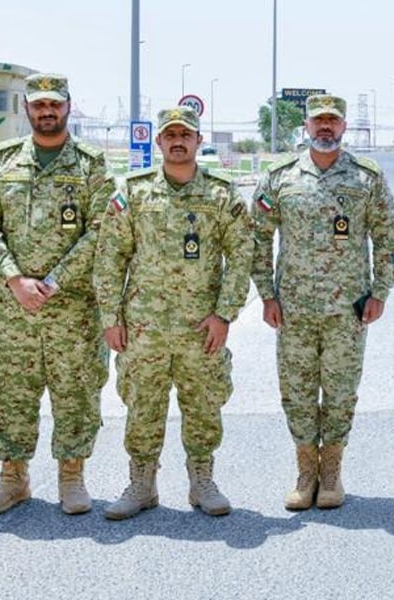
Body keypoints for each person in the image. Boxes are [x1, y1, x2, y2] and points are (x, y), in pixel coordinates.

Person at [94, 106, 253, 520]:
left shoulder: (221, 195)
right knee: (142, 405)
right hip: (143, 327)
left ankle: (202, 482)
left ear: (199, 140)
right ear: (159, 141)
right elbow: (110, 257)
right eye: (170, 135)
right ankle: (141, 485)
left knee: (203, 406)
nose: (178, 141)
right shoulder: (133, 192)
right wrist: (111, 318)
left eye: (186, 134)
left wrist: (224, 314)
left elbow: (242, 257)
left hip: (201, 327)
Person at [251, 94, 394, 511]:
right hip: (293, 309)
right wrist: (266, 294)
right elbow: (258, 239)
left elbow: (388, 239)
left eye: (333, 121)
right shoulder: (280, 177)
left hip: (347, 310)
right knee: (297, 391)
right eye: (318, 120)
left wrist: (380, 291)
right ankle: (306, 471)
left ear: (344, 126)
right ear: (306, 126)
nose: (325, 127)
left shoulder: (366, 178)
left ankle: (331, 471)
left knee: (340, 391)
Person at [0, 74, 112, 516]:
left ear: (67, 107)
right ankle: (13, 477)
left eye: (54, 105)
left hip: (72, 308)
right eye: (39, 105)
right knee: (11, 391)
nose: (47, 112)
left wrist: (54, 281)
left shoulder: (91, 164)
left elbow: (102, 230)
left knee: (75, 390)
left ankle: (72, 476)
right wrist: (14, 279)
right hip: (12, 308)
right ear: (27, 108)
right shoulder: (0, 161)